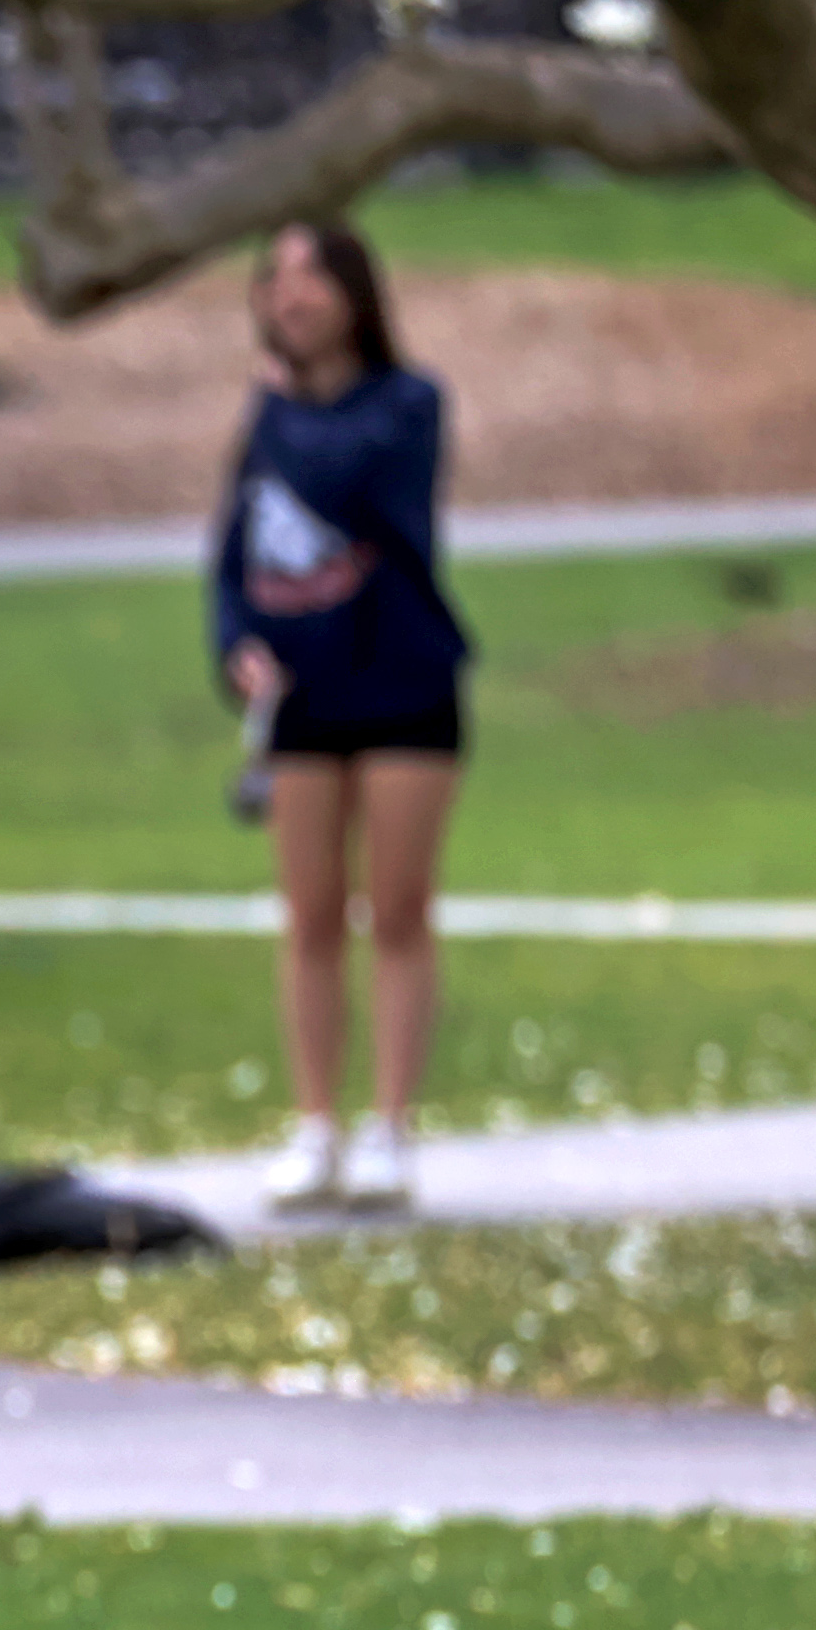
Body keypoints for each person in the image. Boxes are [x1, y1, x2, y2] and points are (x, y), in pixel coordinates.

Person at [211, 217, 470, 1217]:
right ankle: (316, 1125)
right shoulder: (265, 416)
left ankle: (391, 1132)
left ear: (357, 295)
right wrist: (233, 641)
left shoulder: (408, 407)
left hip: (403, 681)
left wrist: (282, 416)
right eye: (275, 279)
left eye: (314, 277)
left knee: (395, 910)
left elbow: (352, 486)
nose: (292, 295)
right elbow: (231, 547)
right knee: (310, 915)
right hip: (301, 692)